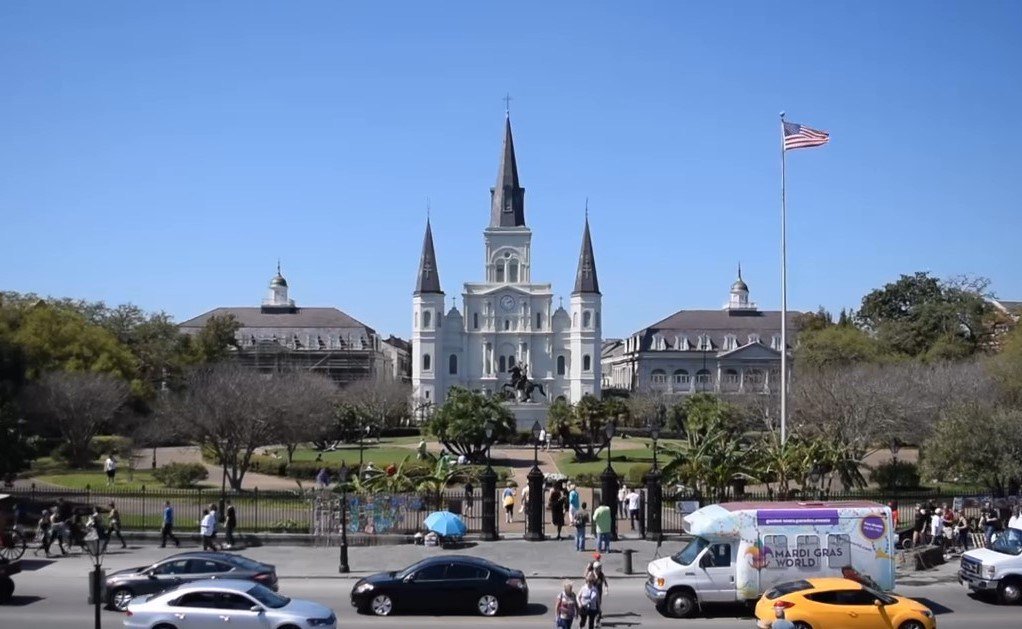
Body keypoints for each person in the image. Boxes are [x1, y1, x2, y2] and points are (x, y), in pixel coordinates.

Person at [584, 560, 609, 627]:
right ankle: (589, 620)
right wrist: (587, 568)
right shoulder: (591, 574)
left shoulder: (601, 574)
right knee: (591, 608)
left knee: (598, 608)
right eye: (599, 568)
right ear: (595, 568)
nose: (600, 569)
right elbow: (586, 579)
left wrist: (606, 590)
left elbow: (605, 583)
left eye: (600, 568)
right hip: (591, 594)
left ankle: (597, 622)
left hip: (598, 594)